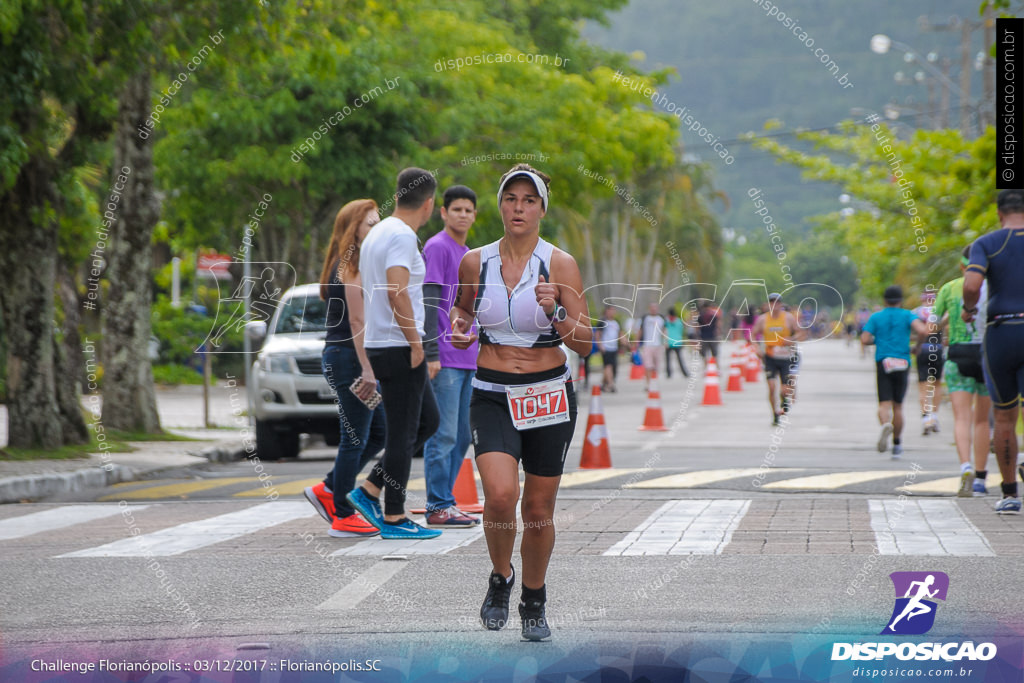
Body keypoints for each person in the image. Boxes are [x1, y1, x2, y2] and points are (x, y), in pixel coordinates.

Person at [450, 163, 592, 641]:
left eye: (529, 200)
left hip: (548, 394)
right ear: (500, 204)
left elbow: (586, 342)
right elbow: (463, 311)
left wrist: (555, 310)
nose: (519, 207)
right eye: (511, 198)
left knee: (536, 507)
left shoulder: (561, 264)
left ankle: (534, 596)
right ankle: (500, 577)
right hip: (491, 393)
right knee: (500, 496)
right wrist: (461, 326)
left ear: (541, 210)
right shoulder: (476, 261)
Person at [345, 167, 442, 539]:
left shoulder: (380, 231)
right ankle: (396, 517)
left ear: (398, 194)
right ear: (429, 203)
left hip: (384, 343)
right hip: (399, 344)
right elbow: (396, 291)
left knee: (426, 422)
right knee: (403, 433)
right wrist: (416, 343)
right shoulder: (401, 236)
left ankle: (369, 489)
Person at [304, 199, 386, 538]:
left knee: (379, 432)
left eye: (378, 223)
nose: (376, 229)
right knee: (355, 437)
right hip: (350, 359)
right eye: (370, 224)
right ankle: (341, 513)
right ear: (353, 228)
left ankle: (328, 487)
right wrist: (368, 369)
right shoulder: (351, 264)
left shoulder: (352, 262)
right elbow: (356, 320)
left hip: (346, 357)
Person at [421, 185, 481, 527]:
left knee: (461, 436)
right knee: (442, 434)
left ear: (474, 215)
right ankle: (437, 505)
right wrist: (431, 351)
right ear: (443, 213)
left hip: (468, 358)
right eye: (456, 209)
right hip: (443, 358)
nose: (462, 215)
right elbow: (430, 303)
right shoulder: (438, 247)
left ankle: (447, 501)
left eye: (468, 210)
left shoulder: (470, 253)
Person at [963, 188, 1024, 514]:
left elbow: (972, 286)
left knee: (1003, 416)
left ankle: (1010, 494)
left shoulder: (987, 243)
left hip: (1002, 332)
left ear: (1000, 213)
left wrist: (968, 309)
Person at [932, 245, 990, 497]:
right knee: (982, 421)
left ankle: (965, 465)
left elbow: (931, 326)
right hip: (987, 355)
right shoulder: (993, 285)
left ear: (961, 265)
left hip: (958, 355)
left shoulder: (949, 288)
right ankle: (980, 478)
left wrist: (947, 322)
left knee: (962, 417)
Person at [861, 285, 928, 458]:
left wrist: (879, 341)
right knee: (898, 406)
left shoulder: (876, 317)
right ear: (900, 300)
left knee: (884, 404)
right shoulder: (907, 315)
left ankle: (885, 424)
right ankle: (897, 444)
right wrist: (917, 347)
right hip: (902, 360)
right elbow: (922, 330)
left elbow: (865, 338)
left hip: (884, 361)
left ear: (884, 300)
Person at [751, 293, 803, 426]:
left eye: (777, 303)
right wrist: (756, 347)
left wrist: (791, 339)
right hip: (770, 357)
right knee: (771, 387)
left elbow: (799, 332)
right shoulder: (763, 319)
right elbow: (753, 334)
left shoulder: (788, 318)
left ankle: (784, 401)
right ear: (768, 305)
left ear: (780, 304)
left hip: (785, 357)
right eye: (772, 302)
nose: (774, 305)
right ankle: (774, 413)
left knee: (784, 389)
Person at [913, 291, 944, 435]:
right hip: (937, 349)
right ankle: (935, 416)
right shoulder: (940, 312)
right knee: (937, 384)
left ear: (922, 299)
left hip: (923, 350)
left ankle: (926, 418)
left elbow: (914, 332)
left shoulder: (916, 312)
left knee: (923, 387)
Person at [634, 302, 665, 388]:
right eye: (652, 308)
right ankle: (647, 384)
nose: (654, 309)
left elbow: (664, 330)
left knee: (656, 366)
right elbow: (640, 330)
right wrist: (636, 341)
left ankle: (654, 383)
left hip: (658, 345)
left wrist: (665, 341)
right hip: (647, 345)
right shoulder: (645, 318)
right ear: (649, 309)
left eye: (655, 308)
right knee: (648, 365)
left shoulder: (661, 318)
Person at [596, 306, 622, 392]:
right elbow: (597, 335)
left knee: (613, 367)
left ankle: (603, 384)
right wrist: (600, 346)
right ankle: (611, 385)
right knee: (608, 366)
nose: (612, 312)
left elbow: (620, 334)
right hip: (606, 347)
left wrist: (626, 343)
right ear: (606, 311)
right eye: (610, 310)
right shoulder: (603, 322)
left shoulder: (616, 323)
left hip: (614, 347)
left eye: (613, 311)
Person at [664, 306, 690, 379]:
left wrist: (665, 342)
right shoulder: (678, 321)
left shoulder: (666, 321)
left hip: (669, 342)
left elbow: (665, 332)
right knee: (680, 359)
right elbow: (684, 328)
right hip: (678, 342)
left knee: (668, 360)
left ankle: (669, 374)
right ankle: (685, 373)